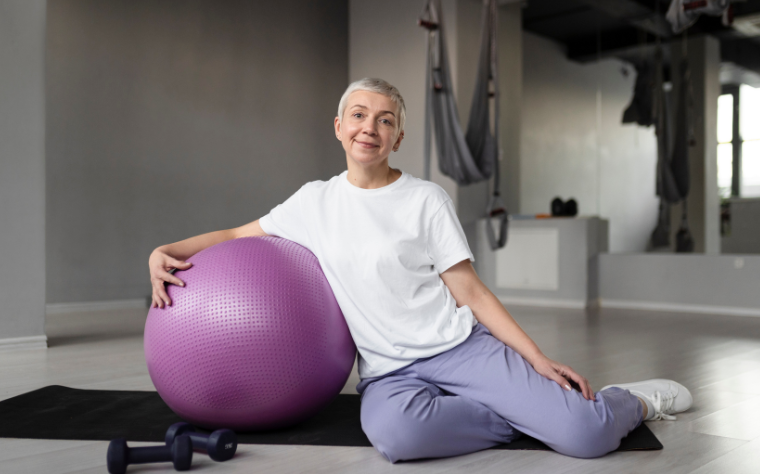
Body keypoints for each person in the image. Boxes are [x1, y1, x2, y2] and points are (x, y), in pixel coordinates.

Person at [148, 78, 693, 463]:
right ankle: (522, 415)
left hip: (459, 348)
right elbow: (233, 237)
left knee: (585, 437)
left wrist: (538, 359)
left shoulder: (425, 199)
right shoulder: (312, 202)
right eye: (359, 115)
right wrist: (164, 249)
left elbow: (471, 293)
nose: (371, 127)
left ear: (397, 138)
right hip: (388, 371)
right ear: (339, 127)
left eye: (386, 120)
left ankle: (636, 399)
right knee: (397, 440)